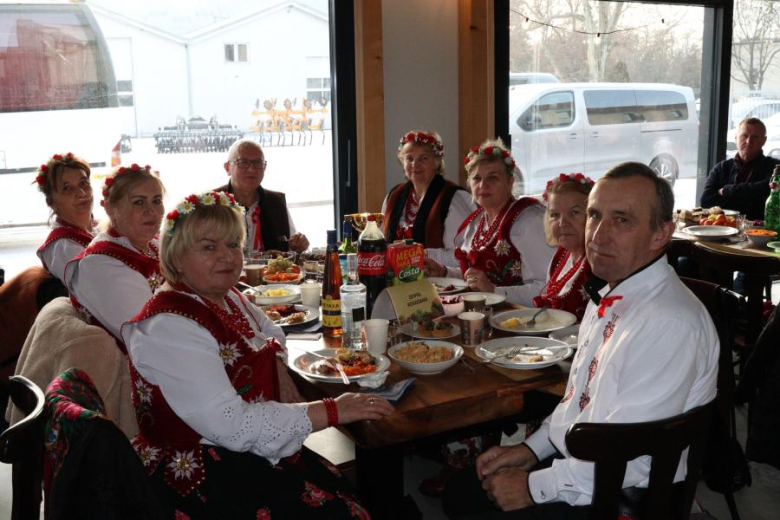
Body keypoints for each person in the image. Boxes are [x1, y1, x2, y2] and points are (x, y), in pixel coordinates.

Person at [442, 162, 719, 518]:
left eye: (622, 219)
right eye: (594, 215)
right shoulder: (608, 294)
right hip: (591, 460)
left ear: (660, 234)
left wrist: (532, 487)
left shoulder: (670, 321)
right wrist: (530, 450)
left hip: (625, 494)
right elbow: (579, 402)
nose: (598, 234)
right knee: (462, 494)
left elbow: (629, 454)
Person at [121, 191, 393, 518]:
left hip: (246, 446)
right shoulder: (169, 327)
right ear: (176, 257)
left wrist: (277, 365)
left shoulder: (225, 296)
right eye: (209, 247)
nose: (227, 256)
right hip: (204, 470)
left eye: (233, 245)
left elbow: (271, 331)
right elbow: (234, 426)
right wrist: (333, 410)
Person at [426, 138, 555, 307]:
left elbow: (547, 288)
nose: (483, 185)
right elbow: (476, 278)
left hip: (522, 322)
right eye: (476, 178)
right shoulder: (477, 221)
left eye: (492, 178)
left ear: (510, 182)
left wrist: (494, 292)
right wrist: (444, 272)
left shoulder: (528, 221)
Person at [64, 163, 166, 349]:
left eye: (157, 201)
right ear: (110, 208)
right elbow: (150, 335)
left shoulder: (153, 244)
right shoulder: (99, 265)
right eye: (138, 202)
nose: (151, 211)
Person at [381, 130, 474, 259]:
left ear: (437, 161)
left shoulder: (454, 198)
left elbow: (465, 254)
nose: (415, 164)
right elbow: (381, 242)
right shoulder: (393, 196)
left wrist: (420, 255)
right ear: (402, 162)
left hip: (438, 278)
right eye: (409, 158)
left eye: (423, 158)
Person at [216, 138, 309, 254]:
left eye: (257, 163)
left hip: (273, 272)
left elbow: (292, 247)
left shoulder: (276, 202)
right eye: (243, 162)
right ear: (227, 168)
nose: (251, 169)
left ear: (264, 167)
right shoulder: (212, 203)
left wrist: (299, 243)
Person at [532, 173, 595, 320]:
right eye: (555, 215)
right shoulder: (561, 255)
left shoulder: (598, 265)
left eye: (574, 213)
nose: (562, 223)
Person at [34, 152, 96, 284]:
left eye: (84, 183)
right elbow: (98, 289)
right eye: (67, 188)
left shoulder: (102, 227)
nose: (81, 193)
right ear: (52, 202)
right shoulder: (62, 247)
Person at [701, 117, 779, 220]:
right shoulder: (721, 168)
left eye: (755, 137)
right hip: (723, 229)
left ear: (764, 141)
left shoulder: (775, 167)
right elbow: (706, 201)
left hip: (760, 232)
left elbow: (767, 191)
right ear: (736, 138)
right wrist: (750, 198)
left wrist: (727, 190)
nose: (748, 141)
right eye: (744, 136)